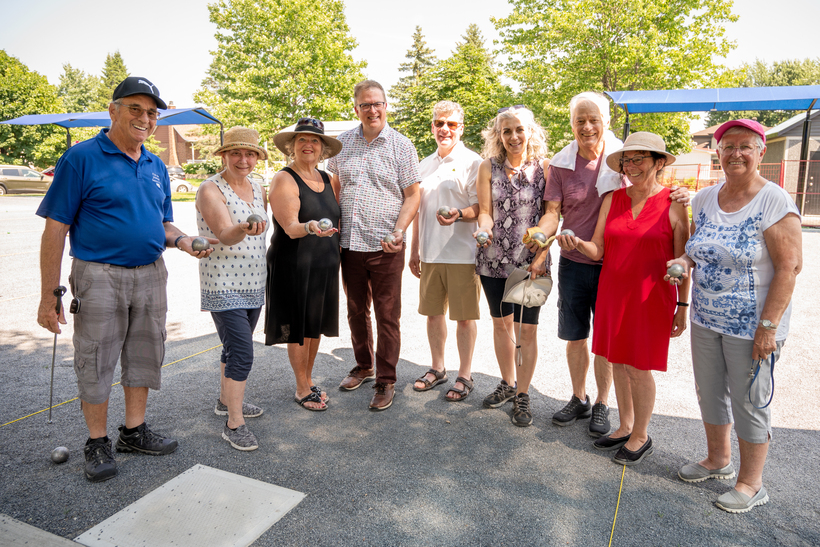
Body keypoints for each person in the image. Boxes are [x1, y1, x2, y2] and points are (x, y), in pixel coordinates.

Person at [36, 77, 215, 482]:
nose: (145, 118)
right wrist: (50, 295)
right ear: (113, 110)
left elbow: (163, 222)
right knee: (96, 358)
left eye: (152, 112)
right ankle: (96, 442)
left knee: (144, 355)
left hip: (151, 273)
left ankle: (133, 432)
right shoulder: (81, 158)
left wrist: (184, 240)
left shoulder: (154, 165)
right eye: (135, 108)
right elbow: (55, 229)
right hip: (99, 274)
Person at [537, 91, 689, 438]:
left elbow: (680, 251)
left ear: (606, 122)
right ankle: (581, 398)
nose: (587, 126)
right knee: (581, 338)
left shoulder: (629, 161)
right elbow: (552, 214)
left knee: (619, 352)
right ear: (572, 124)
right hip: (581, 262)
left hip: (623, 272)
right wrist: (545, 243)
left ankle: (606, 405)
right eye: (580, 120)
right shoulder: (562, 165)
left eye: (594, 120)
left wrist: (682, 304)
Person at [668, 119, 802, 513]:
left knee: (749, 401)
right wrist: (683, 259)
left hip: (752, 327)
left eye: (746, 146)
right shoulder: (706, 198)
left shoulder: (774, 200)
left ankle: (751, 483)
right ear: (718, 153)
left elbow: (789, 267)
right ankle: (717, 460)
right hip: (707, 319)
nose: (736, 154)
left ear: (761, 152)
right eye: (728, 147)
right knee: (709, 392)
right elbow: (698, 247)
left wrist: (768, 327)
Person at [327, 80, 421, 411]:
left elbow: (413, 196)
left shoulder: (402, 146)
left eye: (377, 103)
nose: (372, 109)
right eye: (365, 104)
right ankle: (364, 365)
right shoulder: (342, 144)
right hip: (350, 243)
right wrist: (334, 229)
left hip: (386, 245)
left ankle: (386, 379)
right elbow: (335, 187)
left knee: (387, 315)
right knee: (355, 311)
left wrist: (399, 230)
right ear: (356, 109)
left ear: (386, 106)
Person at [475, 106, 550, 427]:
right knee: (501, 325)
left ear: (530, 132)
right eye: (507, 131)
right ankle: (507, 382)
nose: (514, 136)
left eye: (519, 129)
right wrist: (483, 228)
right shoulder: (486, 167)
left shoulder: (545, 169)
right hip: (491, 260)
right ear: (498, 135)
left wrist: (542, 254)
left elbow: (552, 215)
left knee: (527, 331)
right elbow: (484, 211)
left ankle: (523, 393)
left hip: (530, 264)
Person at [196, 126, 269, 451]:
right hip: (223, 283)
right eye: (236, 153)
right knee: (242, 352)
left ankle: (226, 401)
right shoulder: (210, 189)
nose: (243, 159)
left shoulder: (258, 186)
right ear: (224, 155)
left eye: (250, 153)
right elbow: (224, 234)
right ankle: (234, 423)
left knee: (232, 347)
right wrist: (242, 228)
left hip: (254, 281)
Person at [266, 118, 343, 412]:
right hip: (294, 261)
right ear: (291, 147)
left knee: (314, 325)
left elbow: (337, 218)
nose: (308, 145)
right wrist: (311, 227)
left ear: (322, 148)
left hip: (324, 262)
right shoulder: (284, 178)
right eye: (302, 140)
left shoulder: (328, 179)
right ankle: (301, 387)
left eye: (314, 141)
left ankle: (309, 381)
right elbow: (290, 227)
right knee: (297, 325)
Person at [409, 101, 482, 401]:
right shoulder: (423, 165)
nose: (445, 129)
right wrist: (414, 251)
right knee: (433, 315)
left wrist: (459, 214)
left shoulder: (473, 162)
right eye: (440, 123)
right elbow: (417, 211)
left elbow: (482, 209)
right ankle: (438, 369)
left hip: (462, 254)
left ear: (461, 128)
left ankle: (464, 374)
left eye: (451, 124)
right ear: (432, 127)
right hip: (430, 254)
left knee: (464, 318)